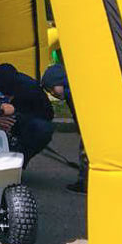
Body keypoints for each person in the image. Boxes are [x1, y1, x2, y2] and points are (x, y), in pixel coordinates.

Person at [0, 62, 55, 162]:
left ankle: (18, 161)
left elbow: (47, 114)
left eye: (8, 97)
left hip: (16, 124)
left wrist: (17, 118)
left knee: (43, 129)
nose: (5, 102)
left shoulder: (31, 88)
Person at [42, 63, 86, 192]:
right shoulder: (72, 90)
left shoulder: (71, 92)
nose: (52, 93)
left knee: (85, 152)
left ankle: (84, 182)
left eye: (52, 88)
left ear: (60, 81)